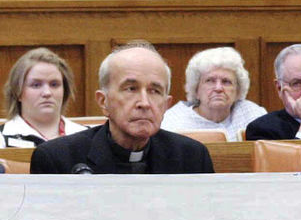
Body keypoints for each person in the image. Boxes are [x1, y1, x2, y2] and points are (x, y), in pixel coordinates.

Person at [30, 41, 214, 174]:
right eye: (131, 89)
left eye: (155, 91)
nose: (144, 102)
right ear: (103, 102)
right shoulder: (58, 160)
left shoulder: (192, 158)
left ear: (166, 105)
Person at [160, 46, 265, 140]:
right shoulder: (173, 122)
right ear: (196, 90)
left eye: (226, 82)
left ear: (238, 92)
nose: (218, 88)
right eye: (210, 81)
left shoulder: (253, 115)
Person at [1, 47, 87, 148]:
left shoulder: (86, 136)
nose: (47, 93)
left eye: (54, 84)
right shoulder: (2, 137)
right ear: (18, 92)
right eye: (36, 85)